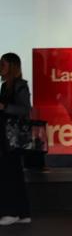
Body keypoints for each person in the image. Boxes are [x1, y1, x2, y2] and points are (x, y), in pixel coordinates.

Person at [0, 53, 32, 226]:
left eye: (3, 65)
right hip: (7, 137)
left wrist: (4, 107)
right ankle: (22, 212)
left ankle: (12, 211)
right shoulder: (6, 86)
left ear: (11, 67)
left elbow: (25, 109)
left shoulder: (20, 86)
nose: (1, 68)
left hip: (12, 139)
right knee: (15, 174)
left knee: (10, 173)